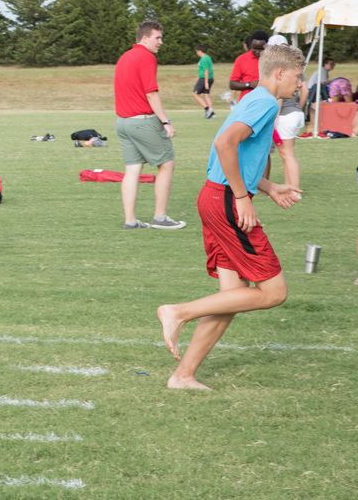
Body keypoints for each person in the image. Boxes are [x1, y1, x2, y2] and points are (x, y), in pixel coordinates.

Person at [156, 44, 305, 390]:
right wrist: (242, 198)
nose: (299, 85)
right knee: (273, 292)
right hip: (225, 200)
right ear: (280, 73)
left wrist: (267, 187)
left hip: (214, 196)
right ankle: (177, 311)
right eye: (298, 78)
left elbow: (237, 152)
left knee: (232, 295)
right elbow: (225, 144)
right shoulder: (266, 102)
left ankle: (183, 375)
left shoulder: (255, 98)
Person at [113, 21, 186, 230]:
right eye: (158, 38)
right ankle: (160, 217)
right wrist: (165, 121)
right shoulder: (146, 57)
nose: (161, 42)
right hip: (142, 122)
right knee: (167, 164)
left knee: (132, 170)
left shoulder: (125, 56)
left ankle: (130, 221)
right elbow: (151, 92)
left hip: (123, 123)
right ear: (145, 38)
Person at [274, 62, 308, 189]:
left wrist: (275, 118)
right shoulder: (296, 70)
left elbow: (279, 98)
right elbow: (305, 91)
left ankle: (294, 189)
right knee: (287, 154)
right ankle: (289, 186)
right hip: (296, 114)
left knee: (287, 154)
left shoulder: (281, 72)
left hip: (285, 116)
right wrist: (298, 108)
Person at [229, 30, 268, 103]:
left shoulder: (273, 59)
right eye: (254, 48)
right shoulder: (241, 59)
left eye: (261, 49)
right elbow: (232, 84)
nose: (257, 51)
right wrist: (249, 84)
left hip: (267, 102)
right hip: (247, 103)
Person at [193, 45, 216, 119]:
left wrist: (205, 82)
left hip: (204, 79)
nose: (197, 53)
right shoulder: (208, 57)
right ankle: (212, 113)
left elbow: (206, 70)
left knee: (195, 94)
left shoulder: (204, 58)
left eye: (197, 51)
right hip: (209, 78)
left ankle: (207, 109)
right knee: (206, 95)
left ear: (200, 51)